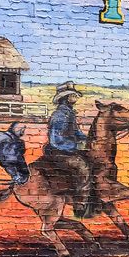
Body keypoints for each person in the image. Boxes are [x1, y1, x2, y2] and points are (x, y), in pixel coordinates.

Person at [42, 81, 94, 217]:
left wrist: (89, 139)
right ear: (66, 98)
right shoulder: (60, 115)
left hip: (67, 149)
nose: (75, 97)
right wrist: (76, 145)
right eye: (73, 95)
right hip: (59, 151)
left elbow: (76, 132)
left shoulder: (69, 113)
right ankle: (80, 205)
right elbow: (56, 140)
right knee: (83, 167)